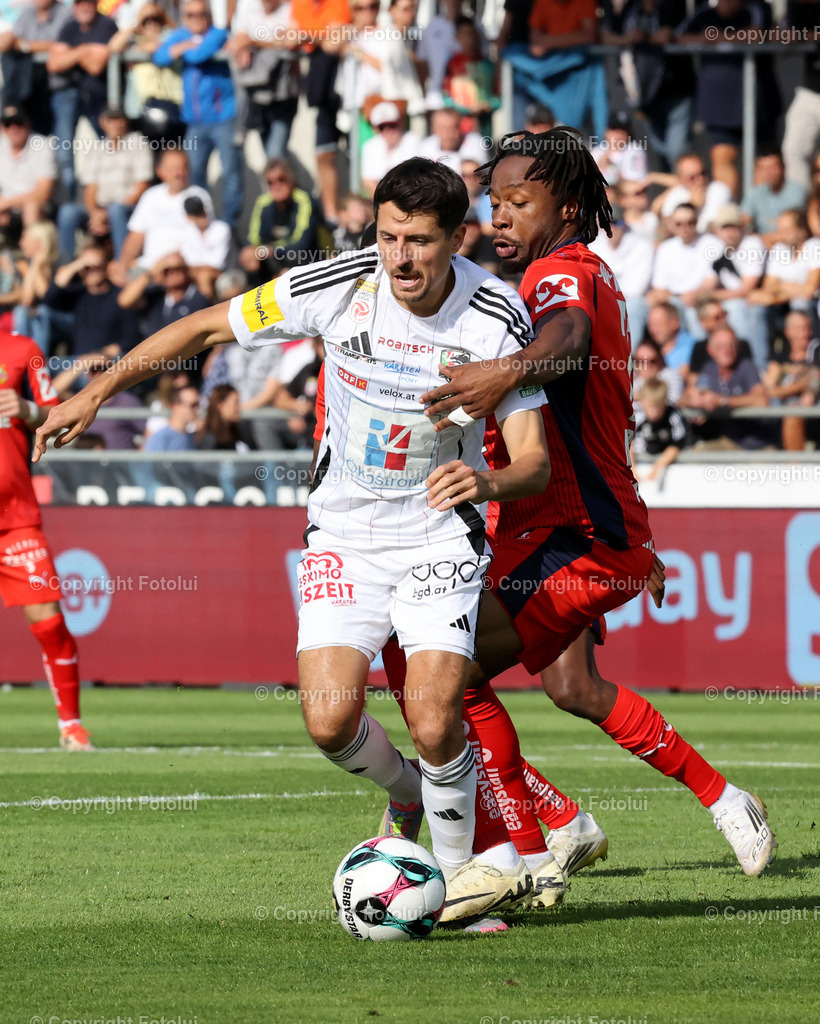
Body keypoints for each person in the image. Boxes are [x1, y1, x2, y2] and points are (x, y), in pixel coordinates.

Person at [33, 157, 553, 925]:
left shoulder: (496, 315)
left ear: (457, 239)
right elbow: (207, 324)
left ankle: (461, 887)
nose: (400, 257)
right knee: (328, 721)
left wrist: (489, 483)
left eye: (418, 241)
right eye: (388, 237)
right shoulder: (341, 284)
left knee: (437, 714)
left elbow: (534, 459)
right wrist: (95, 389)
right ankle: (410, 793)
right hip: (343, 532)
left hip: (439, 533)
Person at [412, 127, 774, 881]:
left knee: (453, 682)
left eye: (520, 201)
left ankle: (534, 846)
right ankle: (716, 799)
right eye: (494, 202)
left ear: (569, 208)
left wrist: (497, 374)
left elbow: (570, 339)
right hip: (576, 524)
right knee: (571, 687)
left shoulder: (558, 276)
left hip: (569, 533)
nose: (501, 216)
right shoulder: (588, 270)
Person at [0, 328, 92, 750]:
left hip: (14, 519)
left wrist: (27, 408)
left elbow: (56, 416)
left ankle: (71, 726)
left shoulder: (22, 348)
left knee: (51, 624)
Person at [153, 0, 243, 230]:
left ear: (209, 15)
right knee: (195, 176)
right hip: (194, 121)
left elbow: (198, 55)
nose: (196, 19)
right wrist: (183, 46)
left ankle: (228, 225)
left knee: (231, 172)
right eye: (191, 15)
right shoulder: (182, 35)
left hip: (223, 117)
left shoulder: (218, 33)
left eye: (201, 14)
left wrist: (182, 49)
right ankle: (202, 224)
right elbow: (160, 57)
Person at [56, 105, 154, 261]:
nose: (116, 124)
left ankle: (121, 263)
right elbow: (90, 189)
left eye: (119, 119)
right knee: (68, 211)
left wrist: (107, 214)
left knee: (116, 210)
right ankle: (65, 264)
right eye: (111, 120)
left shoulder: (138, 143)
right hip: (101, 209)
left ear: (125, 122)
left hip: (127, 207)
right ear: (103, 123)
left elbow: (142, 186)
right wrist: (95, 214)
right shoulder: (98, 149)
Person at [46, 0, 118, 199]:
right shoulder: (69, 27)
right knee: (64, 149)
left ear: (96, 4)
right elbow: (53, 63)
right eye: (78, 3)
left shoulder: (107, 25)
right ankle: (69, 201)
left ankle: (108, 199)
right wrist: (85, 50)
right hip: (71, 94)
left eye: (87, 2)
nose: (83, 7)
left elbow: (96, 66)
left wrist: (72, 54)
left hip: (101, 98)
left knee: (110, 147)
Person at [116, 150, 213, 274]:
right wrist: (123, 265)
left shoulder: (199, 196)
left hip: (184, 268)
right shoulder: (150, 196)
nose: (179, 173)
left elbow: (206, 233)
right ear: (160, 171)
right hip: (149, 267)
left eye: (182, 168)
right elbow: (136, 236)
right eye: (173, 168)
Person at [681, 325, 771, 450]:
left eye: (731, 345)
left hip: (758, 444)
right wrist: (695, 402)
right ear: (710, 349)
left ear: (738, 347)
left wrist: (722, 401)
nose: (727, 350)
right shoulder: (709, 369)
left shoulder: (746, 367)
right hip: (729, 441)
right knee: (694, 459)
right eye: (720, 346)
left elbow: (762, 400)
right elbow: (685, 397)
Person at [44, 243, 141, 359]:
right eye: (86, 267)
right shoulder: (77, 293)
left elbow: (131, 337)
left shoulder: (120, 296)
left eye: (96, 267)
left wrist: (99, 356)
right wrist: (79, 263)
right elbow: (49, 299)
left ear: (106, 267)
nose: (91, 271)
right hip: (75, 362)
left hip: (106, 362)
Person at [0, 0, 73, 134]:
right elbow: (12, 40)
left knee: (62, 141)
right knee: (34, 139)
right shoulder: (28, 12)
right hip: (31, 88)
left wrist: (24, 45)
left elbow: (59, 45)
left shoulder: (65, 13)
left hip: (60, 86)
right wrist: (8, 40)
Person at [762, 309, 818, 451]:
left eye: (807, 327)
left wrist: (783, 390)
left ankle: (795, 468)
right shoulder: (779, 358)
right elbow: (768, 390)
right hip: (782, 415)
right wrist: (799, 386)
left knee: (793, 412)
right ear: (788, 332)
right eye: (799, 328)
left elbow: (814, 382)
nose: (805, 333)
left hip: (811, 415)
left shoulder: (816, 351)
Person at [0, 105, 57, 226]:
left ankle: (29, 243)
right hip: (8, 207)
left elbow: (43, 193)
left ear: (27, 124)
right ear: (2, 128)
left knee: (31, 206)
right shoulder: (2, 146)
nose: (13, 128)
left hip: (40, 206)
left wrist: (7, 203)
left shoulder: (42, 145)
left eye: (18, 122)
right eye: (8, 124)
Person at [741, 148, 807, 244]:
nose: (769, 173)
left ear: (784, 167)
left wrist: (758, 239)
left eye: (773, 167)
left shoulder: (797, 192)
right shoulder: (756, 192)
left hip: (788, 246)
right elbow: (742, 220)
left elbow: (791, 232)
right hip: (761, 247)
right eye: (763, 168)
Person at [632, 377, 690, 481]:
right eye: (650, 407)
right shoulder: (637, 416)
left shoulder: (673, 416)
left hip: (666, 467)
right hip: (640, 466)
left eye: (658, 407)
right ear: (642, 402)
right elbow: (627, 443)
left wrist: (657, 467)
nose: (654, 412)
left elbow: (677, 444)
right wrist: (632, 469)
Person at [359, 102, 420, 199]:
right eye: (382, 127)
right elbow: (368, 181)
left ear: (400, 123)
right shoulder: (370, 146)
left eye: (392, 125)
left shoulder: (413, 141)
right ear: (376, 129)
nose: (388, 131)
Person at [197, 382, 257, 449]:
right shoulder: (210, 439)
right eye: (235, 402)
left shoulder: (237, 433)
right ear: (220, 405)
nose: (239, 407)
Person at [143, 383, 199, 450]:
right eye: (193, 405)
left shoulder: (190, 437)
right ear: (175, 406)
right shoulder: (162, 438)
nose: (197, 409)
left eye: (198, 404)